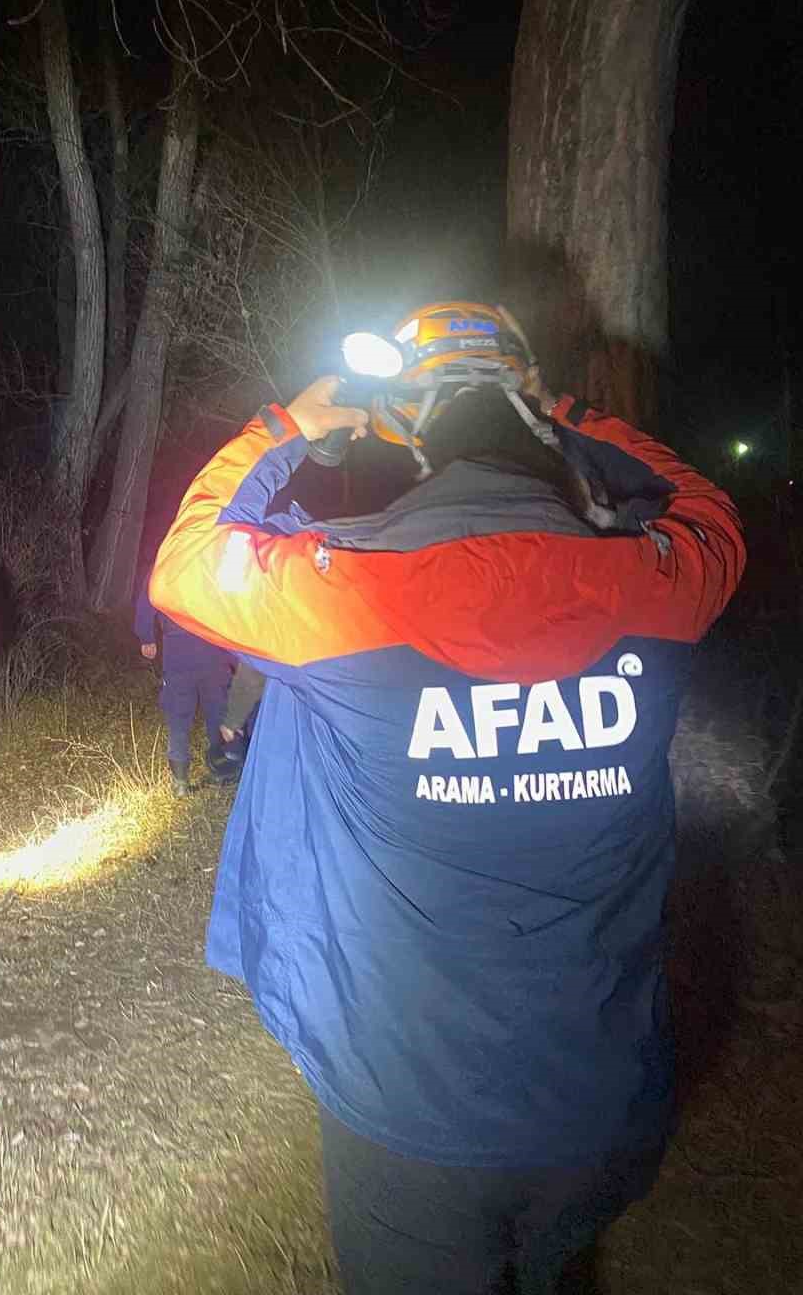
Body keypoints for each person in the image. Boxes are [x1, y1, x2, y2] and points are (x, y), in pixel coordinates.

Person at [147, 303, 744, 1294]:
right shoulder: (656, 585)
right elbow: (707, 512)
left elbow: (183, 564)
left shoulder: (344, 587)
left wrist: (284, 427)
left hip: (409, 1118)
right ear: (528, 414)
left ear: (411, 426)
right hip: (596, 1103)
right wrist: (563, 413)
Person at [134, 573, 236, 796]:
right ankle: (223, 769)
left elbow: (148, 596)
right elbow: (235, 602)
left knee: (179, 713)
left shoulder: (169, 558)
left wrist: (146, 636)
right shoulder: (214, 557)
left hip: (180, 650)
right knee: (219, 708)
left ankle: (181, 782)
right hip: (213, 648)